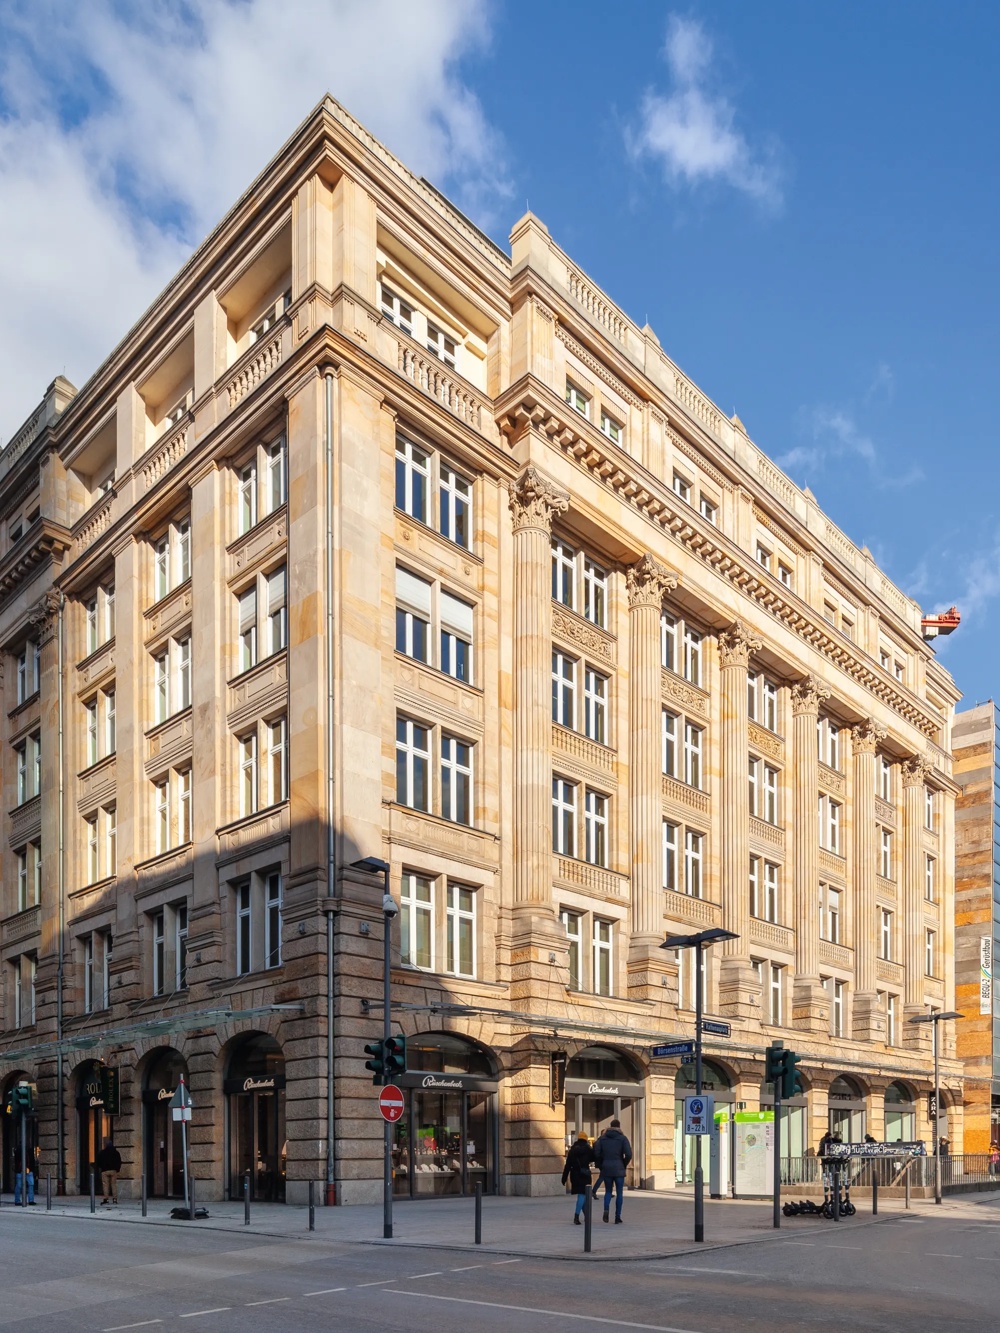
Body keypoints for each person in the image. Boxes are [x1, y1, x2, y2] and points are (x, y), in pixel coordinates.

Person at [593, 1118, 632, 1224]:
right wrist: (623, 1164)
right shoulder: (623, 1138)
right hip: (619, 1167)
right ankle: (617, 1217)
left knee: (608, 1192)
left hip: (606, 1167)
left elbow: (596, 1153)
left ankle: (606, 1210)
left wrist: (601, 1164)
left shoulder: (602, 1138)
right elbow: (628, 1154)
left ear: (610, 1126)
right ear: (619, 1127)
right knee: (619, 1193)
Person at [561, 1130, 595, 1225]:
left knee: (582, 1195)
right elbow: (594, 1159)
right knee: (582, 1195)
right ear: (586, 1139)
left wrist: (564, 1178)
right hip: (585, 1174)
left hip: (574, 1175)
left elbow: (567, 1165)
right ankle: (576, 1216)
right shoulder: (588, 1149)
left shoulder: (572, 1150)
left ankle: (587, 1216)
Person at [96, 1138, 122, 1205]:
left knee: (105, 1185)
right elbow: (119, 1162)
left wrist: (101, 1167)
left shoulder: (102, 1152)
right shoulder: (116, 1153)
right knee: (114, 1185)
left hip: (105, 1170)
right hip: (113, 1170)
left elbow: (98, 1162)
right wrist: (117, 1169)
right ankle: (115, 1199)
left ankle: (106, 1199)